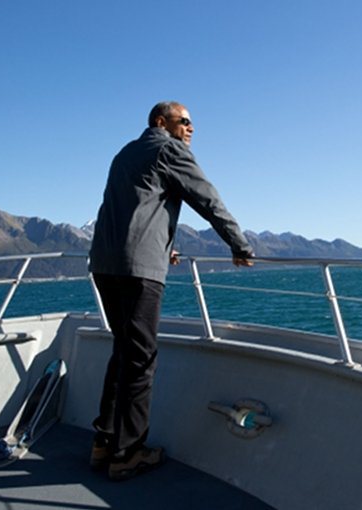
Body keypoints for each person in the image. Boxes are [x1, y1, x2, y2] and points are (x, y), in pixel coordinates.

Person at [87, 101, 254, 481]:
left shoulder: (125, 153)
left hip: (105, 264)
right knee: (141, 362)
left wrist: (164, 244)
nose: (191, 128)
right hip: (137, 271)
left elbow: (130, 208)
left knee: (122, 351)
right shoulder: (169, 148)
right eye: (185, 121)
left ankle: (104, 442)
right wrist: (239, 244)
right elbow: (206, 198)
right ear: (162, 123)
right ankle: (129, 454)